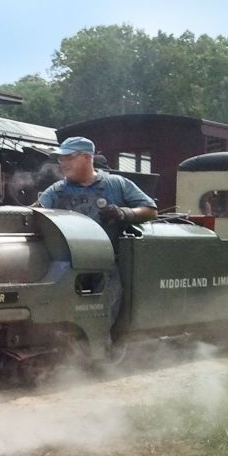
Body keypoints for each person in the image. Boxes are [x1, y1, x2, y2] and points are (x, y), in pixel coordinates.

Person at [37, 136, 157, 330]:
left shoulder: (116, 184)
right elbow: (35, 212)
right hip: (67, 267)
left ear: (86, 157)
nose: (63, 164)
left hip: (105, 266)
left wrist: (123, 213)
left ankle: (103, 353)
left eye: (68, 158)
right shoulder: (56, 190)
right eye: (61, 159)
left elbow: (150, 210)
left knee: (103, 316)